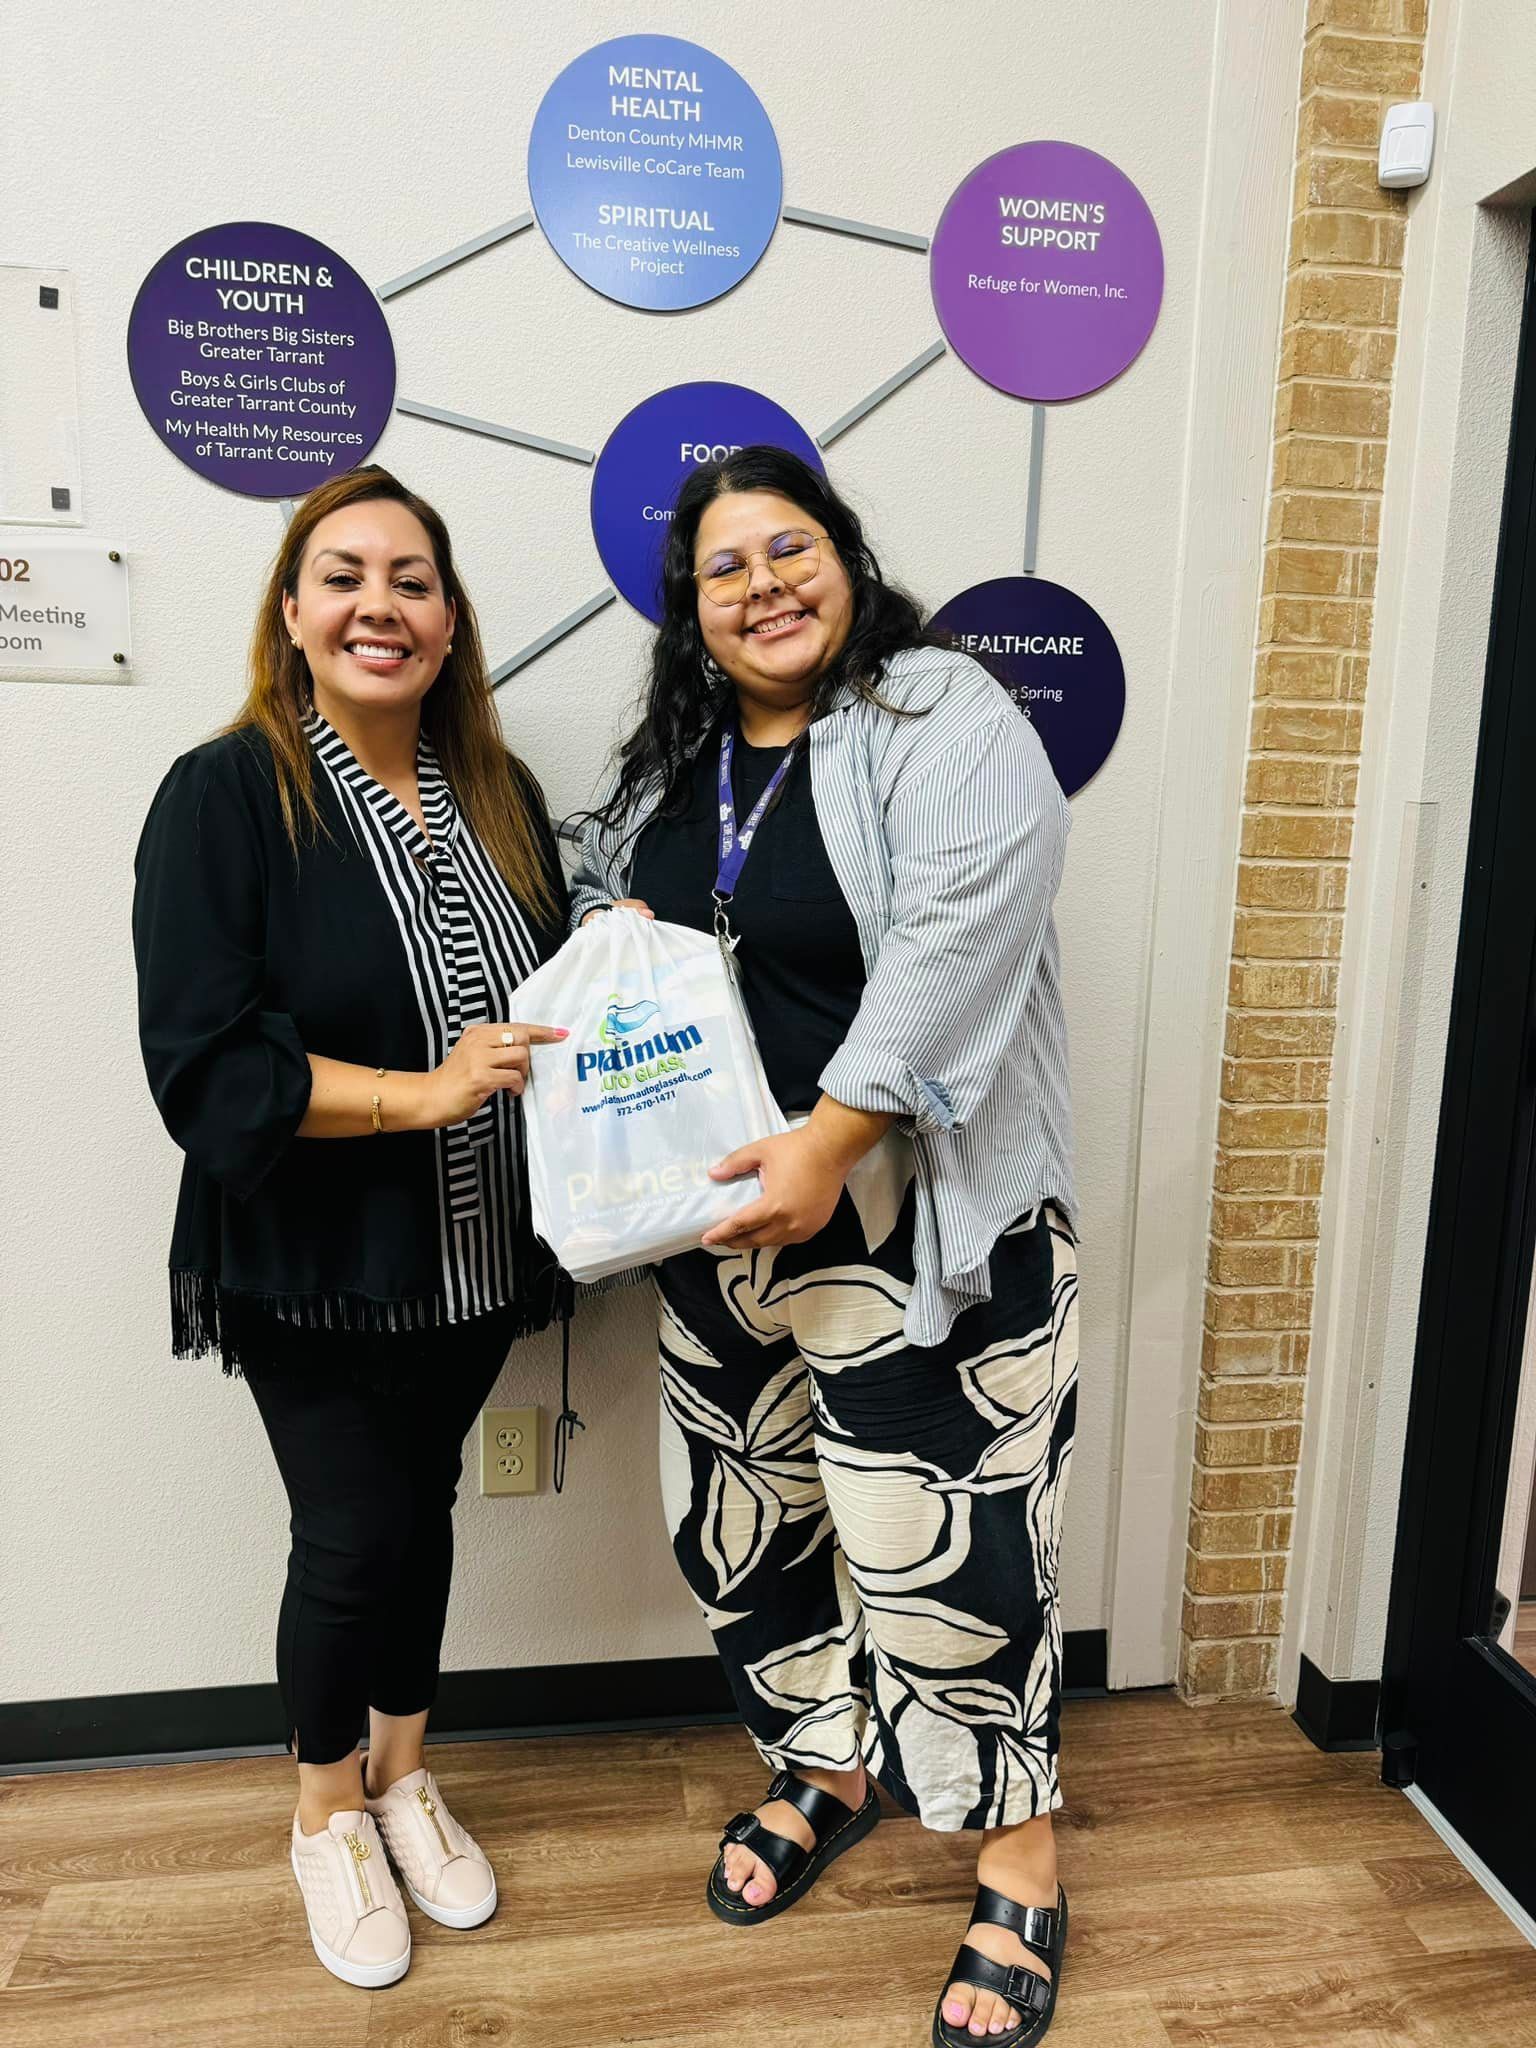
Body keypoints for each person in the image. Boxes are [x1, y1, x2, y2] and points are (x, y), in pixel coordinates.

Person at [573, 446, 1079, 2045]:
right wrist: (611, 941)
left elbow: (966, 926)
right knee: (755, 1521)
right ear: (690, 614)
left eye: (788, 549)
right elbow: (606, 884)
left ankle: (1023, 1862)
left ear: (845, 559)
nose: (763, 585)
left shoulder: (939, 712)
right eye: (724, 569)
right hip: (717, 1238)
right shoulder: (680, 762)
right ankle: (827, 1762)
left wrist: (833, 1137)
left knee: (950, 1543)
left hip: (909, 1224)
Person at [133, 465, 569, 1990]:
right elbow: (203, 1061)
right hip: (311, 1253)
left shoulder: (497, 804)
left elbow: (546, 1009)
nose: (380, 604)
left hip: (469, 1251)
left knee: (426, 1513)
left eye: (413, 580)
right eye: (344, 576)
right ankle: (325, 1810)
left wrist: (616, 972)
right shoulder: (228, 792)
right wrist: (422, 1093)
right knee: (352, 1535)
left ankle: (403, 1773)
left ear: (450, 625)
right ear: (294, 615)